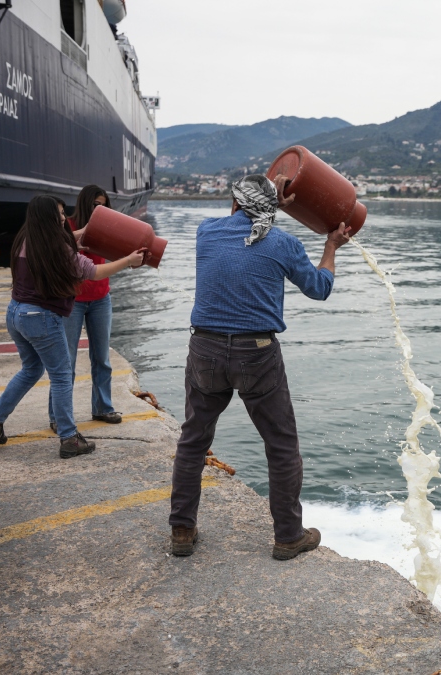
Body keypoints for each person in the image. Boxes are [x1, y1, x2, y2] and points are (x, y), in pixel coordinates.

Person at [169, 174, 350, 560]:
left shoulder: (206, 233)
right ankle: (288, 536)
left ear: (234, 202)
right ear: (271, 207)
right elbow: (320, 288)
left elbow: (248, 223)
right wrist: (331, 246)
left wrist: (272, 202)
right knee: (282, 447)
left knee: (193, 442)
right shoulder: (283, 243)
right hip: (258, 354)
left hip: (205, 348)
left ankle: (182, 531)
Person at [0, 195, 145, 458]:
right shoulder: (57, 248)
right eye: (60, 214)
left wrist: (85, 231)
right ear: (47, 218)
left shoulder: (27, 237)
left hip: (16, 313)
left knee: (31, 370)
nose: (64, 219)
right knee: (63, 376)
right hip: (40, 316)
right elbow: (95, 272)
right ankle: (69, 438)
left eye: (64, 213)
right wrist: (129, 261)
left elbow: (62, 240)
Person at [46, 186, 122, 431]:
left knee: (102, 358)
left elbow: (121, 250)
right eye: (95, 204)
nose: (100, 208)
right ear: (84, 203)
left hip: (101, 298)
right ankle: (58, 417)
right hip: (72, 300)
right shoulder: (66, 225)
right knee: (65, 362)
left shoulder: (109, 226)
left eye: (104, 204)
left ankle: (103, 408)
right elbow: (53, 247)